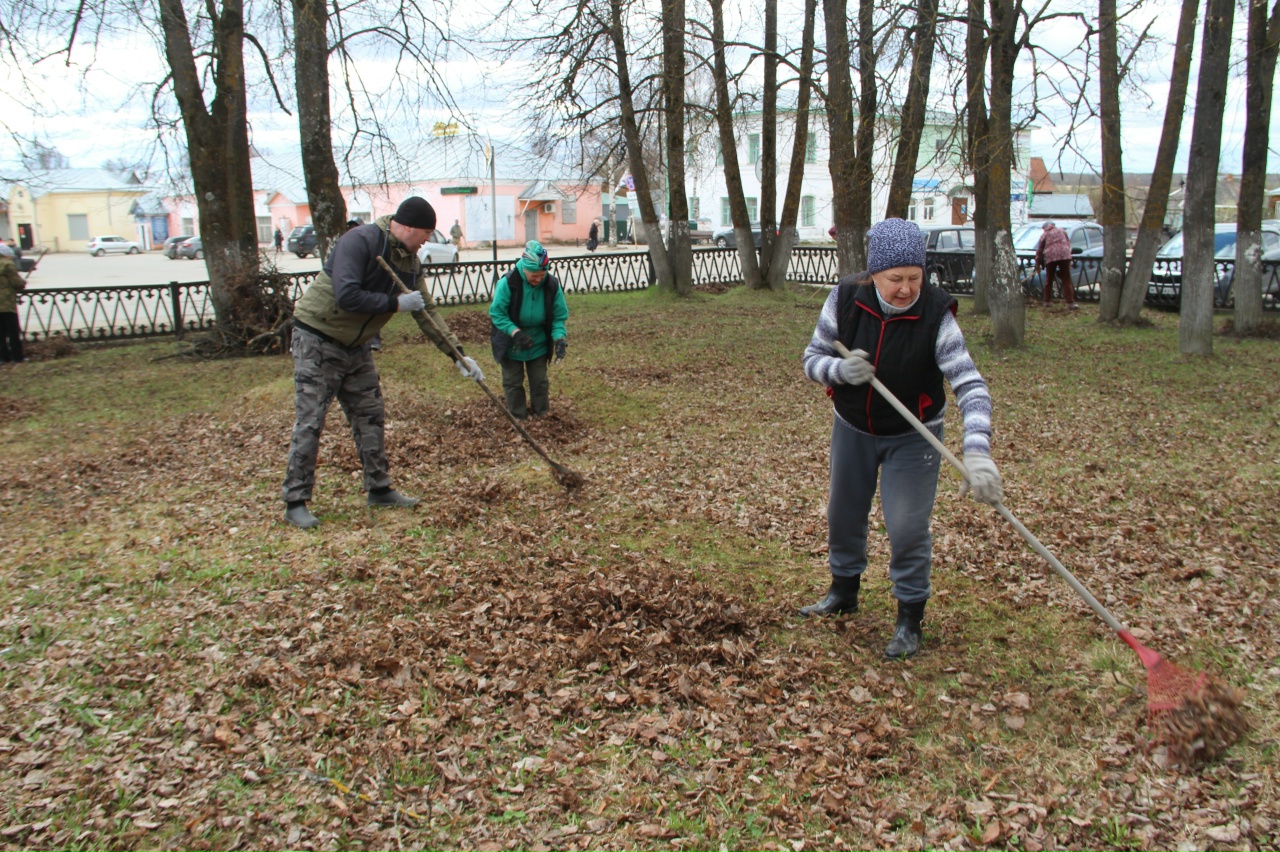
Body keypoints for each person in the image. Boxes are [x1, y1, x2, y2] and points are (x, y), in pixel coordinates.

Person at [799, 218, 1003, 659]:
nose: (907, 289)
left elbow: (971, 385)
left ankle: (910, 617)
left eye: (915, 277)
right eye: (895, 279)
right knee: (843, 514)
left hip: (915, 435)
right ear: (874, 274)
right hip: (853, 427)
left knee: (907, 525)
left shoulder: (936, 314)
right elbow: (812, 359)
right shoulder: (845, 299)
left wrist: (978, 453)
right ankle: (843, 592)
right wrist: (840, 370)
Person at [282, 196, 486, 530]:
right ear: (406, 227)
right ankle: (295, 501)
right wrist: (394, 303)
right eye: (424, 234)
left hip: (356, 346)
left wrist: (458, 354)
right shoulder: (360, 241)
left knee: (370, 414)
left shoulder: (409, 260)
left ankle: (378, 488)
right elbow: (347, 295)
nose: (426, 241)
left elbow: (426, 310)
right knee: (311, 420)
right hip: (318, 338)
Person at [489, 240, 569, 420]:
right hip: (510, 341)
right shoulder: (508, 283)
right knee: (512, 381)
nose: (538, 279)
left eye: (542, 274)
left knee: (540, 381)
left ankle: (542, 414)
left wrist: (559, 338)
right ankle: (518, 417)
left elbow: (559, 316)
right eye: (534, 275)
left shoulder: (551, 285)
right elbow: (497, 314)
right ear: (524, 269)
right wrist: (515, 332)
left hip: (538, 341)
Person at [1034, 222, 1076, 309]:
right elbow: (1067, 243)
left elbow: (1039, 250)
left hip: (1051, 256)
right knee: (1066, 279)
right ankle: (1070, 302)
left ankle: (1047, 301)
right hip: (1064, 255)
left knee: (1049, 279)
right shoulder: (1062, 231)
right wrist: (1068, 256)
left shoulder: (1045, 234)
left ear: (1045, 228)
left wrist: (1037, 264)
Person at [0, 243, 25, 363]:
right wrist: (22, 283)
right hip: (7, 303)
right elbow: (17, 283)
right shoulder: (7, 264)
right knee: (13, 331)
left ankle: (3, 357)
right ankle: (17, 357)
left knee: (0, 333)